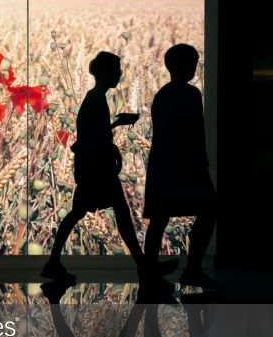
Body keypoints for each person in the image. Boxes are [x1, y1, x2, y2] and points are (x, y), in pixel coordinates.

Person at [41, 52, 173, 285]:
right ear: (104, 73)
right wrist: (112, 145)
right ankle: (144, 267)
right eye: (116, 70)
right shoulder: (95, 100)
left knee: (93, 213)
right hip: (96, 169)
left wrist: (115, 125)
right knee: (97, 214)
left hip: (93, 166)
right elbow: (93, 137)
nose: (120, 74)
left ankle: (143, 266)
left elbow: (94, 132)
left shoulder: (95, 98)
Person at [143, 44, 220, 289]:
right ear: (185, 66)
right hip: (187, 164)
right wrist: (201, 163)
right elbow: (195, 134)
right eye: (194, 61)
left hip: (163, 164)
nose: (196, 66)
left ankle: (150, 274)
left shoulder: (162, 94)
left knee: (159, 219)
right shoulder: (191, 94)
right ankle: (193, 269)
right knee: (208, 212)